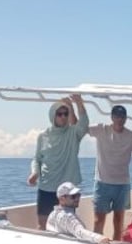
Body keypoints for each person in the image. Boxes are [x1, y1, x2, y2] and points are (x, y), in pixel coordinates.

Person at [87, 104, 132, 240]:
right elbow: (81, 127)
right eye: (117, 116)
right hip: (102, 182)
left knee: (118, 221)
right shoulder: (101, 129)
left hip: (122, 184)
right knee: (98, 220)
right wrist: (77, 106)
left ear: (125, 118)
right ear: (112, 117)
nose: (119, 119)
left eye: (122, 116)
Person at [28, 94, 89, 230]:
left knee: (68, 226)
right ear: (53, 116)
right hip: (46, 187)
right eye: (59, 114)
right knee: (42, 226)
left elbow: (83, 124)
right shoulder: (43, 136)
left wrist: (79, 104)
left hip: (66, 191)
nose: (63, 117)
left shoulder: (73, 133)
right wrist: (34, 173)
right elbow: (37, 159)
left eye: (66, 114)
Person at [46, 181, 111, 244]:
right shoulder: (68, 216)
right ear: (62, 199)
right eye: (73, 196)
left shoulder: (53, 214)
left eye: (78, 195)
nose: (77, 198)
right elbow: (80, 232)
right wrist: (99, 238)